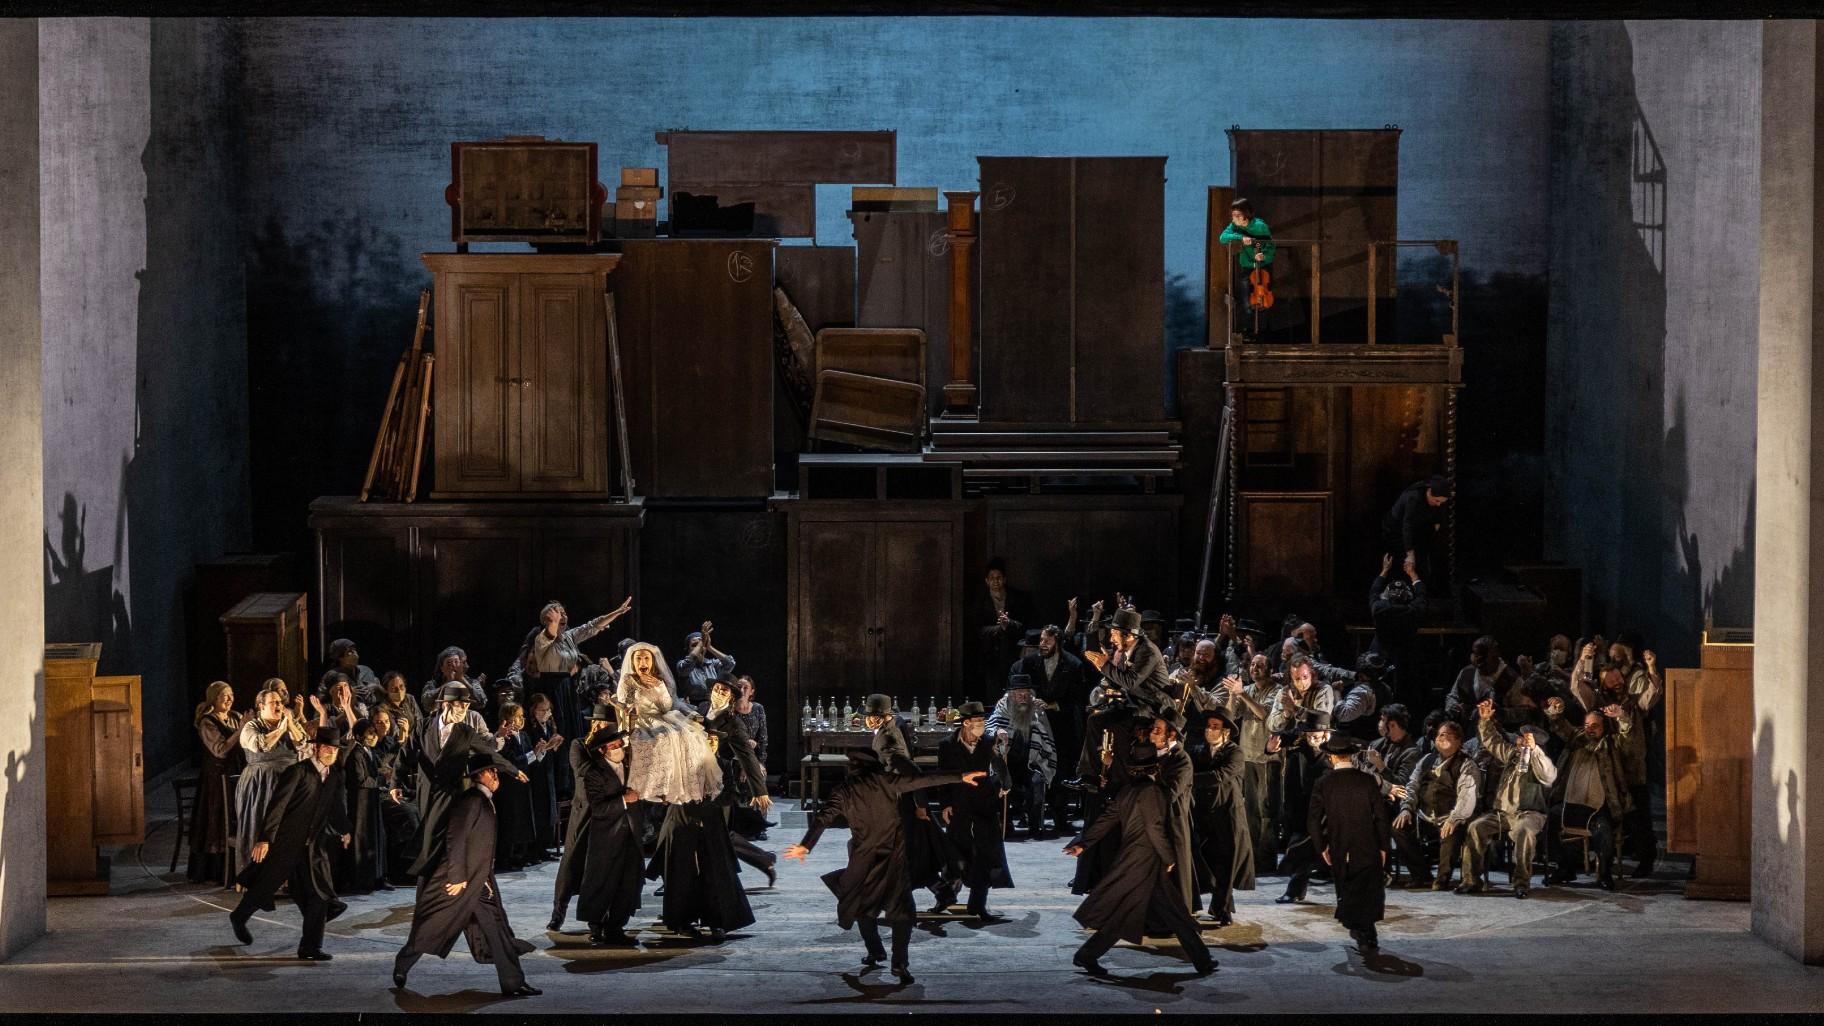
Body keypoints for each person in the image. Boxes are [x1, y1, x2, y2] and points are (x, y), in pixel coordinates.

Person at [782, 749, 986, 982]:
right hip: (893, 861)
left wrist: (805, 846)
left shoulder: (844, 791)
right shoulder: (887, 781)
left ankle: (875, 950)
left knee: (862, 908)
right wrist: (960, 776)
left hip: (864, 862)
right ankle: (898, 962)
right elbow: (924, 779)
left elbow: (822, 818)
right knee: (902, 914)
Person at [392, 754, 541, 997]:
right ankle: (402, 964)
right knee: (431, 926)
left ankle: (513, 982)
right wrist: (457, 877)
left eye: (495, 771)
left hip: (479, 882)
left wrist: (482, 877)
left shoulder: (485, 799)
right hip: (456, 882)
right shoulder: (472, 800)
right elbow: (455, 838)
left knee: (497, 929)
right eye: (489, 772)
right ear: (477, 776)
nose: (494, 775)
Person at [1063, 742, 1216, 977]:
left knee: (1144, 912)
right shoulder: (1152, 792)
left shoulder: (1127, 791)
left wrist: (1083, 843)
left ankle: (1202, 960)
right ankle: (1086, 955)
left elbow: (1105, 820)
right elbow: (1155, 829)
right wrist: (1168, 857)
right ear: (1155, 768)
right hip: (1146, 862)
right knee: (1161, 913)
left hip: (1133, 861)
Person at [228, 726, 352, 961]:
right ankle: (239, 916)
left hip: (313, 844)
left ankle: (310, 947)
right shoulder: (298, 772)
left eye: (335, 749)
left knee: (319, 894)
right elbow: (277, 806)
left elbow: (336, 806)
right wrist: (265, 838)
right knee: (266, 884)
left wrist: (345, 830)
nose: (331, 752)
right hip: (286, 842)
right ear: (316, 748)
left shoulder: (334, 775)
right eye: (327, 747)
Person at [505, 597, 634, 787]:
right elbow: (549, 636)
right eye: (557, 613)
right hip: (550, 689)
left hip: (567, 687)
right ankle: (558, 782)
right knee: (558, 731)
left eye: (564, 613)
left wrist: (616, 613)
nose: (563, 616)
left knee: (572, 732)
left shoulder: (569, 637)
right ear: (548, 618)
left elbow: (591, 627)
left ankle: (572, 781)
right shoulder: (541, 638)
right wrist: (553, 622)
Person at [408, 683, 525, 880]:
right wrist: (394, 784)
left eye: (466, 705)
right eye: (461, 705)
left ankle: (447, 879)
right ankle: (432, 883)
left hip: (453, 791)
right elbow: (406, 753)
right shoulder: (424, 725)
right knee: (430, 836)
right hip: (428, 790)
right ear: (446, 705)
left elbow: (488, 752)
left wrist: (512, 770)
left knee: (447, 837)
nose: (465, 710)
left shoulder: (465, 732)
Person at [1306, 734, 1391, 953]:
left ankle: (1361, 932)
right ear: (1351, 755)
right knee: (1367, 889)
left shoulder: (1324, 783)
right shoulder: (1367, 780)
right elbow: (1381, 817)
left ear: (1331, 757)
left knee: (1346, 888)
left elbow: (1314, 820)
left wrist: (1321, 846)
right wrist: (1383, 846)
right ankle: (1367, 932)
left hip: (1339, 845)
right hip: (1367, 844)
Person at [1543, 696, 1635, 890]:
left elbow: (1627, 738)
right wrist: (1557, 709)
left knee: (1604, 831)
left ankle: (1604, 874)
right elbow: (1559, 725)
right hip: (1571, 804)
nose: (1590, 729)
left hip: (1598, 807)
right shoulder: (1576, 739)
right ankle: (1564, 868)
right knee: (1548, 822)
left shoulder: (1611, 745)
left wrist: (1622, 718)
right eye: (1587, 725)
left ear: (1604, 727)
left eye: (1595, 725)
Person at [1468, 699, 1558, 898]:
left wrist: (1534, 751)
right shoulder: (1512, 755)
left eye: (1526, 740)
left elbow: (1549, 775)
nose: (1520, 742)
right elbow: (1492, 741)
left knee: (1525, 832)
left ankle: (1521, 883)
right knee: (1476, 827)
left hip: (1529, 813)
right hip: (1503, 813)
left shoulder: (1542, 761)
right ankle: (1472, 880)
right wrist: (1484, 721)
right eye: (1520, 738)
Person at [615, 642, 722, 805]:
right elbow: (623, 700)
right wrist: (632, 704)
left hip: (661, 717)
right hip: (641, 720)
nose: (643, 662)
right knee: (664, 737)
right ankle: (655, 787)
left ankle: (673, 788)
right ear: (633, 661)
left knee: (687, 735)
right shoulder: (628, 680)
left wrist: (657, 686)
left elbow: (666, 706)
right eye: (638, 659)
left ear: (652, 661)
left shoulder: (658, 680)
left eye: (646, 658)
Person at [935, 701, 1013, 920]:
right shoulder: (948, 744)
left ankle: (978, 905)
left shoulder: (988, 741)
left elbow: (1000, 765)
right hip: (959, 803)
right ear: (966, 723)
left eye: (983, 721)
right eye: (978, 721)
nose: (981, 725)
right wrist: (945, 804)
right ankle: (945, 898)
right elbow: (942, 777)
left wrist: (1005, 785)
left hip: (983, 804)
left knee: (985, 855)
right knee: (956, 855)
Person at [550, 702, 623, 931]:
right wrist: (603, 752)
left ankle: (597, 919)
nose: (603, 727)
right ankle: (558, 912)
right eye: (600, 723)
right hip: (584, 812)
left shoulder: (617, 748)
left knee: (598, 867)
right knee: (571, 862)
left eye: (608, 724)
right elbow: (584, 770)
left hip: (608, 813)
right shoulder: (580, 745)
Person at [573, 724, 646, 947]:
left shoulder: (629, 765)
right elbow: (598, 809)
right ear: (603, 750)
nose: (617, 748)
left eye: (618, 744)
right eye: (612, 745)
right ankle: (596, 927)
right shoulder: (594, 773)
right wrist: (624, 800)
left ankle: (616, 927)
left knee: (628, 882)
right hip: (606, 837)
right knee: (601, 882)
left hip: (630, 835)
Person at [1013, 621, 1090, 829]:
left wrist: (1053, 704)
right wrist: (1032, 700)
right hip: (1036, 725)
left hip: (1061, 725)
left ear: (1057, 641)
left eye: (1047, 640)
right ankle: (1031, 816)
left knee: (1061, 772)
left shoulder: (1073, 665)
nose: (1043, 644)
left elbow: (1077, 697)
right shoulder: (1029, 663)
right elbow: (1020, 685)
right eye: (1041, 640)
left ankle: (1060, 818)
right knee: (1033, 768)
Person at [1391, 719, 1480, 891]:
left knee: (1451, 833)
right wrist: (1407, 808)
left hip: (1451, 816)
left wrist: (1454, 818)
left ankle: (1442, 878)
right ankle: (1421, 875)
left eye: (1448, 735)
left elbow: (1466, 796)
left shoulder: (1466, 764)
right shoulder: (1427, 760)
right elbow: (1412, 785)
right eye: (1440, 735)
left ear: (1458, 741)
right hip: (1425, 816)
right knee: (1398, 828)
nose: (1442, 738)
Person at [233, 687, 310, 880]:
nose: (279, 706)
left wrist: (290, 725)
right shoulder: (251, 727)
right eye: (273, 702)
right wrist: (280, 730)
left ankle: (285, 879)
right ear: (261, 706)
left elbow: (305, 746)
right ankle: (255, 877)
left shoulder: (288, 722)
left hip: (289, 784)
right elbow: (261, 745)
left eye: (281, 703)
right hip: (261, 783)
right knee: (260, 825)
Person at [1187, 708, 1250, 926]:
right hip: (1205, 813)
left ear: (1225, 731)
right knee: (1204, 856)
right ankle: (1219, 904)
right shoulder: (1200, 750)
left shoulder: (1235, 752)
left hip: (1228, 813)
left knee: (1227, 861)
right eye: (1209, 726)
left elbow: (1220, 776)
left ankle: (1222, 909)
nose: (1210, 730)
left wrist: (1190, 779)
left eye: (1215, 727)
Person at [1218, 655, 1275, 875]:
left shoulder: (1275, 690)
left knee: (1266, 810)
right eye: (1252, 665)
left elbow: (1264, 714)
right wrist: (1234, 694)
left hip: (1268, 758)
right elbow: (1231, 715)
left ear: (1269, 669)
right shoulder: (1247, 689)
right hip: (1248, 755)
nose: (1255, 668)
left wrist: (1242, 693)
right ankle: (1252, 859)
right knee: (1250, 810)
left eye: (1260, 665)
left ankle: (1267, 860)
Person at [1270, 713, 1335, 904]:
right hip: (1300, 807)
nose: (1313, 739)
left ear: (1326, 734)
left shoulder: (1335, 750)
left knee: (1321, 849)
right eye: (1309, 735)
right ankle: (1295, 890)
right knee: (1301, 847)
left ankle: (1349, 893)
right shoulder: (1299, 747)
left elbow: (1357, 769)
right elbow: (1278, 738)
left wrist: (1387, 787)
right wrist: (1270, 747)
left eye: (1317, 735)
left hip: (1326, 810)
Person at [985, 674, 1058, 838]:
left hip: (1031, 763)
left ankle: (1035, 826)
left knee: (1038, 781)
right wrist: (998, 732)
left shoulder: (1037, 709)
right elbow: (989, 728)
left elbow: (1046, 738)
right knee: (998, 780)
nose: (1023, 697)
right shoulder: (1003, 708)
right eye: (1019, 694)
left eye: (1026, 694)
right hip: (1007, 764)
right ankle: (1006, 823)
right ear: (1011, 695)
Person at [188, 681, 243, 884]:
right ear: (214, 698)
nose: (229, 699)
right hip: (216, 778)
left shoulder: (235, 717)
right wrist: (241, 731)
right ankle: (214, 869)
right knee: (216, 818)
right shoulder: (207, 722)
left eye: (231, 695)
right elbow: (219, 750)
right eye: (224, 696)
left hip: (235, 773)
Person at [338, 718, 397, 894]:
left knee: (377, 837)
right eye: (369, 733)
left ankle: (378, 877)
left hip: (371, 799)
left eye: (373, 732)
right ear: (358, 736)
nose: (373, 736)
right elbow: (360, 780)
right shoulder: (356, 754)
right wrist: (382, 779)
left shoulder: (369, 752)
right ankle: (363, 880)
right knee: (363, 839)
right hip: (361, 802)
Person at [1216, 197, 1275, 340]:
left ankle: (1263, 332)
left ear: (1246, 214)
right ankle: (1248, 331)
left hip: (1263, 267)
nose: (1234, 218)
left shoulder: (1260, 226)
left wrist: (1264, 256)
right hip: (1247, 268)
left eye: (1238, 215)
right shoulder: (1235, 227)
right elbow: (1222, 237)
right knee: (1246, 301)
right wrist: (1240, 237)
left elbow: (1271, 245)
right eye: (1233, 215)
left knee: (1264, 301)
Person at [972, 558, 1034, 692]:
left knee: (1013, 690)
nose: (995, 581)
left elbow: (1025, 625)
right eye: (992, 578)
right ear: (987, 581)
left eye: (998, 577)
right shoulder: (981, 601)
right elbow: (978, 629)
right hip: (990, 655)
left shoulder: (1017, 598)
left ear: (1004, 579)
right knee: (993, 692)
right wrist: (1000, 628)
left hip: (1013, 653)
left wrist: (1008, 623)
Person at [492, 702, 541, 870]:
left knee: (522, 820)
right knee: (510, 821)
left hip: (523, 784)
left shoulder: (524, 736)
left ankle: (520, 856)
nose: (522, 719)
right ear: (508, 719)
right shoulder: (504, 738)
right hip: (509, 786)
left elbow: (529, 760)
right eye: (518, 716)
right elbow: (510, 762)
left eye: (522, 716)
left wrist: (540, 752)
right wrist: (532, 754)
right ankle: (506, 859)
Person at [1380, 475, 1451, 584]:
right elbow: (1406, 525)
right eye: (1437, 501)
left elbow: (1435, 512)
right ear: (1429, 492)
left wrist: (1437, 522)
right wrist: (1410, 553)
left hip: (1414, 529)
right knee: (1407, 562)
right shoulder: (1414, 497)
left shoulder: (1434, 497)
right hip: (1395, 530)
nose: (1439, 504)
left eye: (1441, 502)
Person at [522, 693, 563, 858]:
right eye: (542, 710)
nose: (546, 713)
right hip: (535, 775)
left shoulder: (549, 724)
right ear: (533, 711)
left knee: (548, 808)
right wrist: (546, 748)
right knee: (538, 810)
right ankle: (534, 849)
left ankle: (543, 847)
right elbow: (533, 754)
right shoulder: (530, 729)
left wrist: (555, 746)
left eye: (548, 710)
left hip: (548, 772)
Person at [675, 621, 736, 707]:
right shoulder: (682, 664)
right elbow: (685, 667)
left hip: (712, 707)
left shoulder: (712, 664)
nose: (699, 648)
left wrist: (709, 646)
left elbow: (730, 663)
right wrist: (701, 644)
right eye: (694, 645)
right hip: (692, 708)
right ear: (688, 649)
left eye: (701, 645)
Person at [420, 646, 487, 718]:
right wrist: (447, 684)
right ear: (442, 668)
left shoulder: (472, 682)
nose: (453, 666)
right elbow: (426, 704)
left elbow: (482, 703)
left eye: (456, 662)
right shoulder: (433, 684)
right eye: (449, 663)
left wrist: (462, 680)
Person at [323, 638, 382, 708]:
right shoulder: (332, 676)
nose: (354, 653)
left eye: (354, 650)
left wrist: (376, 687)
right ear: (340, 657)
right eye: (350, 651)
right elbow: (323, 702)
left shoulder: (365, 671)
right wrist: (349, 693)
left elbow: (383, 698)